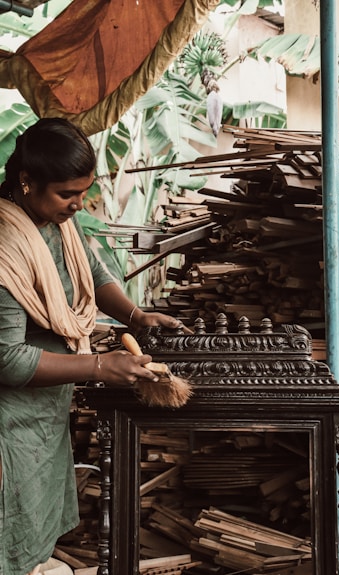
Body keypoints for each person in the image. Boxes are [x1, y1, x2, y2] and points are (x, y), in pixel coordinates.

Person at [0, 118, 182, 575]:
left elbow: (92, 273)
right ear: (27, 181)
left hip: (42, 414)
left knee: (31, 539)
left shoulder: (56, 220)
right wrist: (99, 366)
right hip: (8, 421)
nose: (78, 204)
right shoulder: (5, 244)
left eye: (84, 191)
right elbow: (6, 359)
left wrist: (136, 316)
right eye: (67, 194)